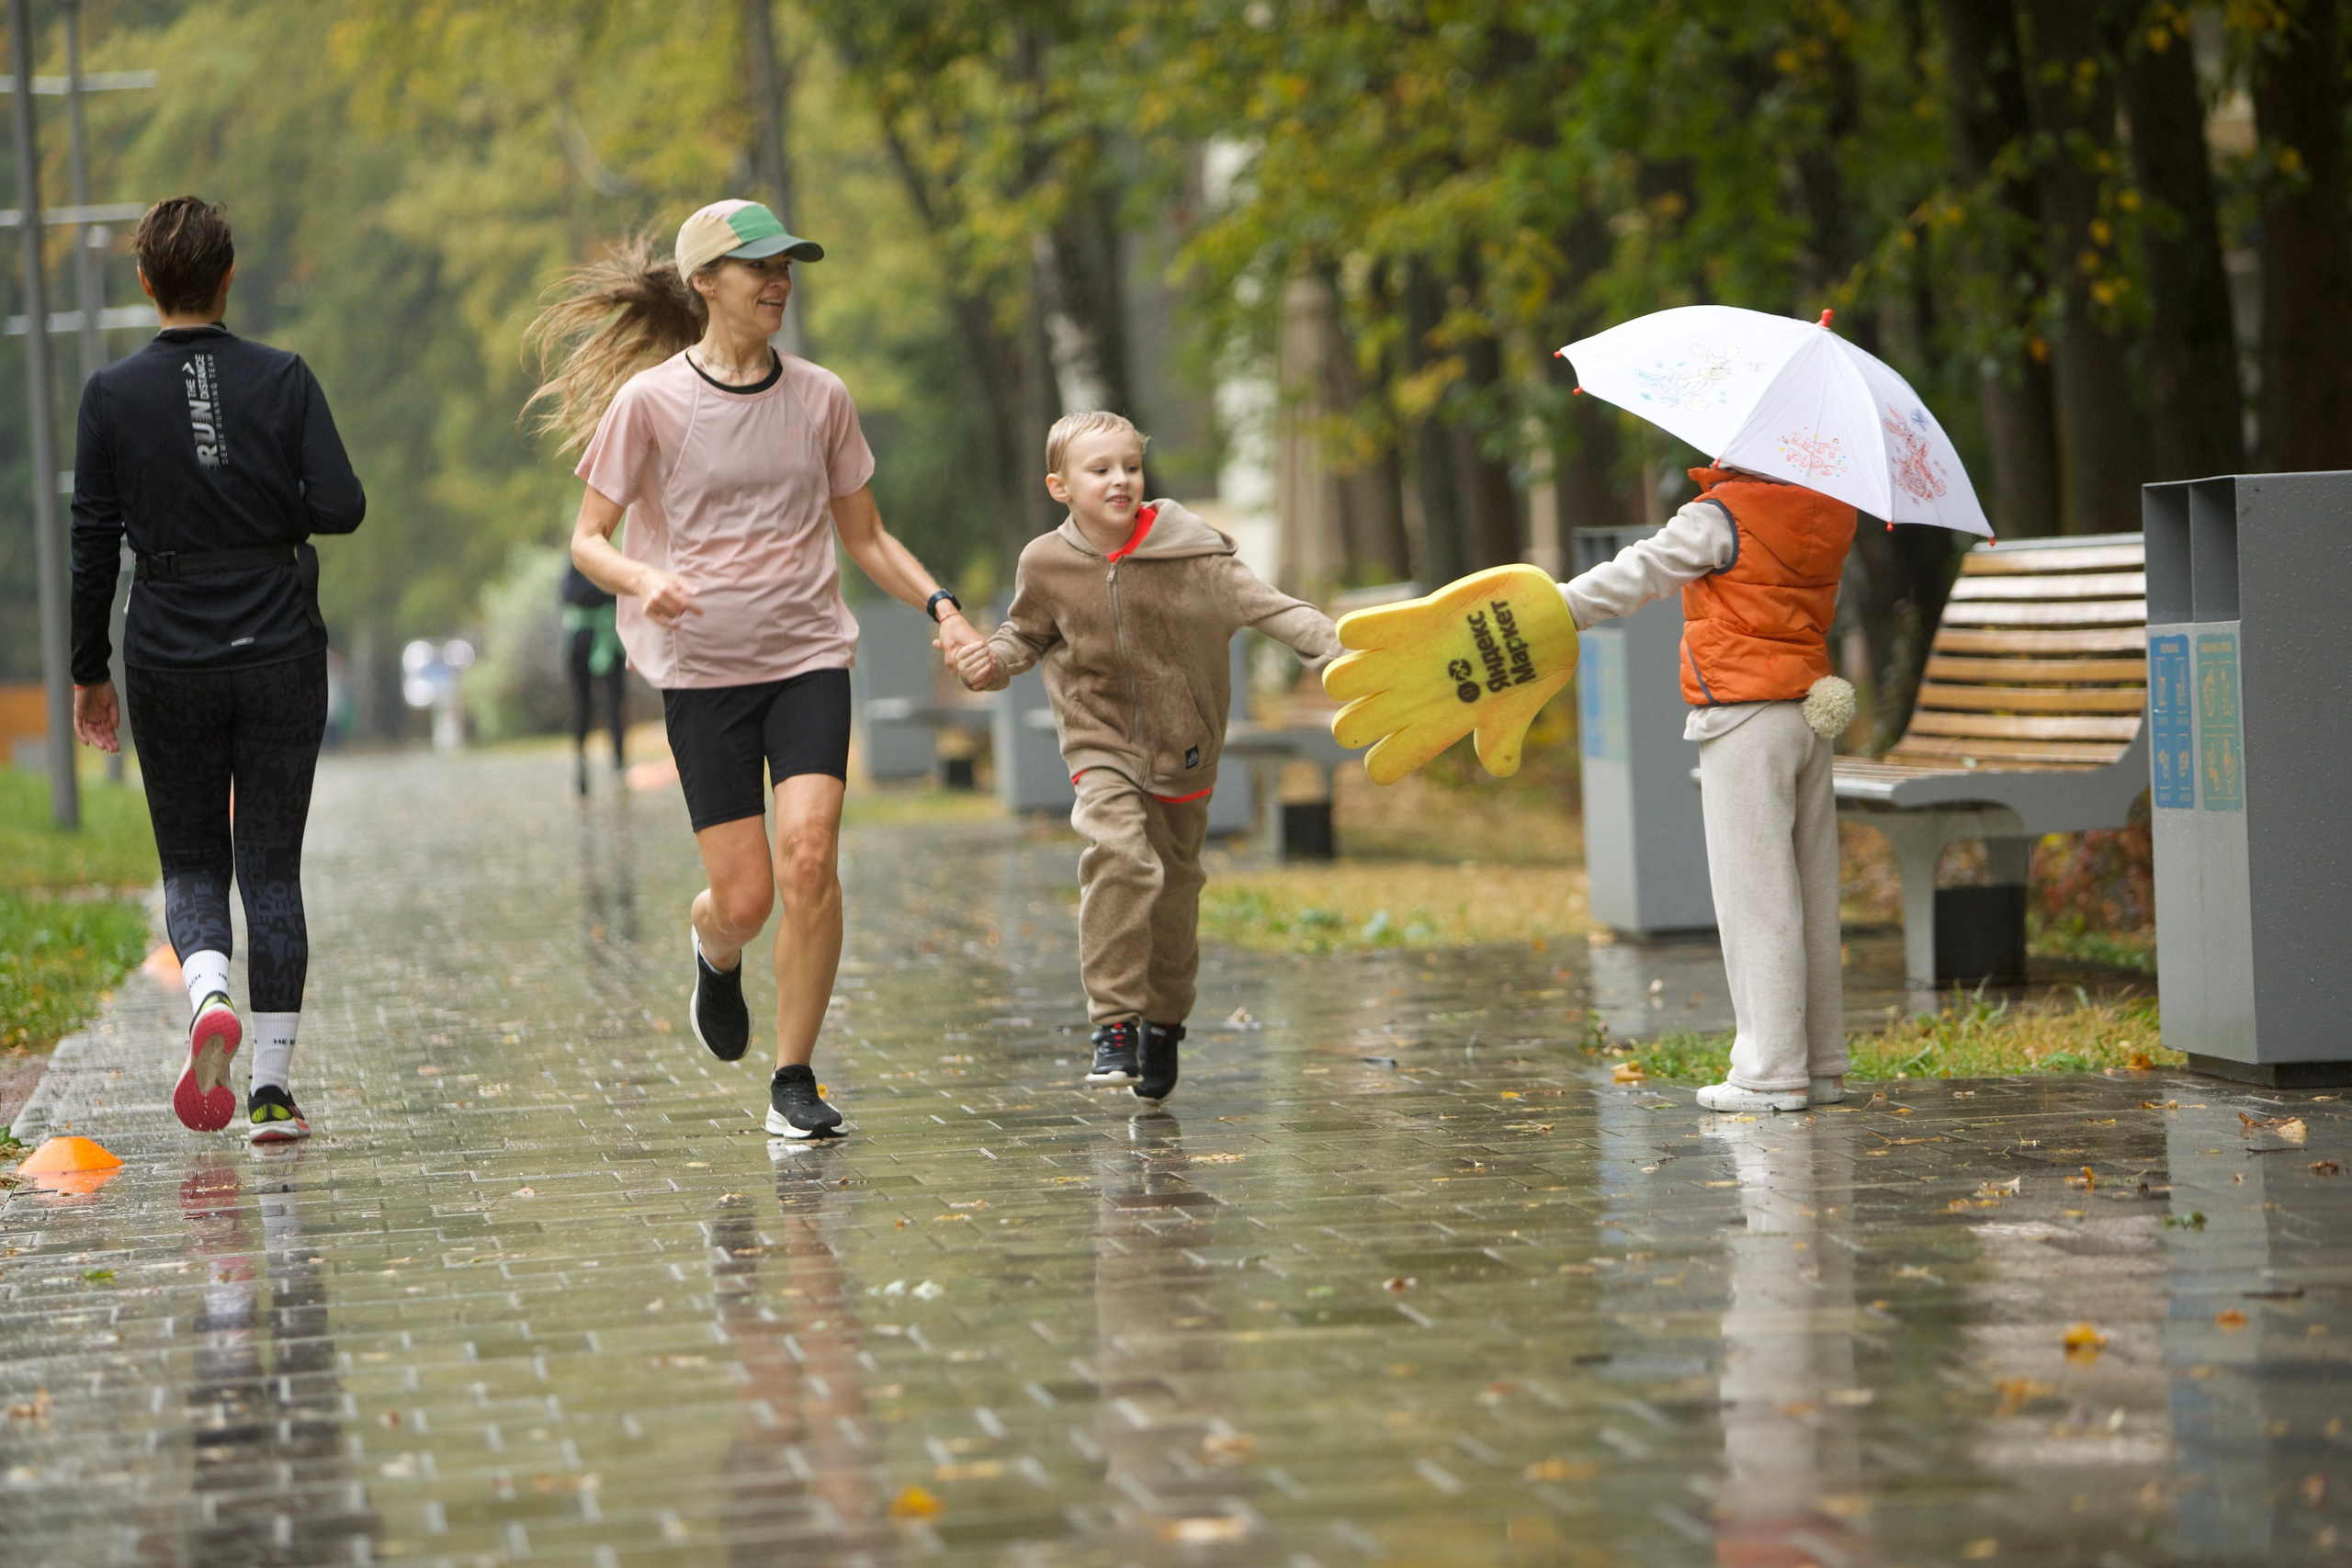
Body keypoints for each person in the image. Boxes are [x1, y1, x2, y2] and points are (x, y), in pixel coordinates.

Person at [528, 199, 985, 1139]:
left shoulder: (822, 396)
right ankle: (714, 946)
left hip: (808, 656)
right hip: (702, 676)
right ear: (705, 283)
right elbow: (586, 542)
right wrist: (642, 578)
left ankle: (793, 1078)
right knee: (747, 898)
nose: (778, 282)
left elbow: (865, 535)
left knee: (810, 859)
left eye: (786, 268)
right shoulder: (650, 403)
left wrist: (941, 606)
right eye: (758, 268)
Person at [68, 196, 368, 1144]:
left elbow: (92, 544)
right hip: (279, 644)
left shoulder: (110, 395)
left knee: (194, 857)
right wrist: (261, 500)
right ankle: (273, 1094)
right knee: (272, 871)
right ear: (229, 276)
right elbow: (344, 505)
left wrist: (89, 669)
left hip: (166, 652)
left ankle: (207, 1000)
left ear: (148, 282)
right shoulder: (284, 378)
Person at [950, 411, 1340, 1103]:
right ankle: (1115, 1025)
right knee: (1119, 852)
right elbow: (1025, 634)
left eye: (1130, 466)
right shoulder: (1045, 561)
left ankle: (1164, 1022)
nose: (1120, 480)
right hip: (1098, 740)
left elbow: (1275, 609)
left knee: (1174, 895)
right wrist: (990, 663)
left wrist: (1348, 650)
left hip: (1184, 746)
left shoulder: (1195, 557)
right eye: (1100, 469)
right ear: (1060, 485)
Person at [1557, 465, 1857, 1111]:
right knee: (1812, 894)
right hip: (1808, 713)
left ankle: (1770, 1072)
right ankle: (1823, 1063)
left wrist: (1560, 608)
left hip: (1744, 716)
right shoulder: (1829, 512)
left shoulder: (1722, 514)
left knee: (1757, 901)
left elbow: (1642, 570)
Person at [560, 560, 628, 794]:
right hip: (581, 643)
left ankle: (619, 765)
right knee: (582, 707)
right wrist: (604, 590)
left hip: (610, 639)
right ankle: (580, 766)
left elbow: (623, 590)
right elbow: (569, 594)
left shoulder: (613, 558)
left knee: (615, 705)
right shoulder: (575, 561)